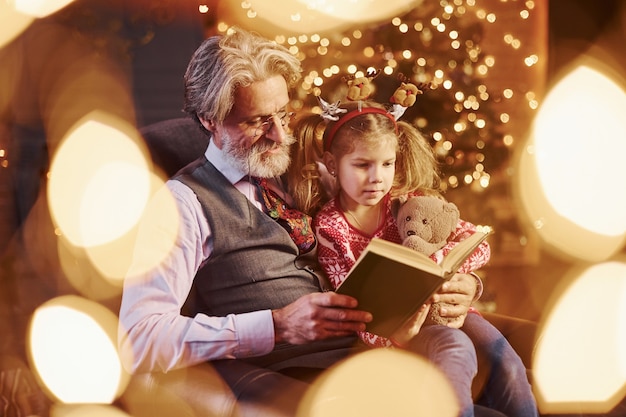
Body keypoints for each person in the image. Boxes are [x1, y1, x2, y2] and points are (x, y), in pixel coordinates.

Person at [118, 27, 507, 417]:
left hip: (379, 354)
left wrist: (463, 285)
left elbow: (398, 216)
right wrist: (277, 325)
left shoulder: (303, 170)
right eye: (258, 122)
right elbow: (138, 338)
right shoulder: (182, 203)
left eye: (283, 114)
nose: (281, 134)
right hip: (308, 379)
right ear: (209, 120)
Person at [288, 99, 538, 417]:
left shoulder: (409, 202)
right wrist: (392, 338)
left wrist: (462, 277)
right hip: (405, 330)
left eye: (387, 164)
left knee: (509, 364)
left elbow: (477, 244)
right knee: (455, 352)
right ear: (333, 163)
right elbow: (351, 299)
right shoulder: (330, 226)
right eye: (362, 165)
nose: (377, 177)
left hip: (450, 309)